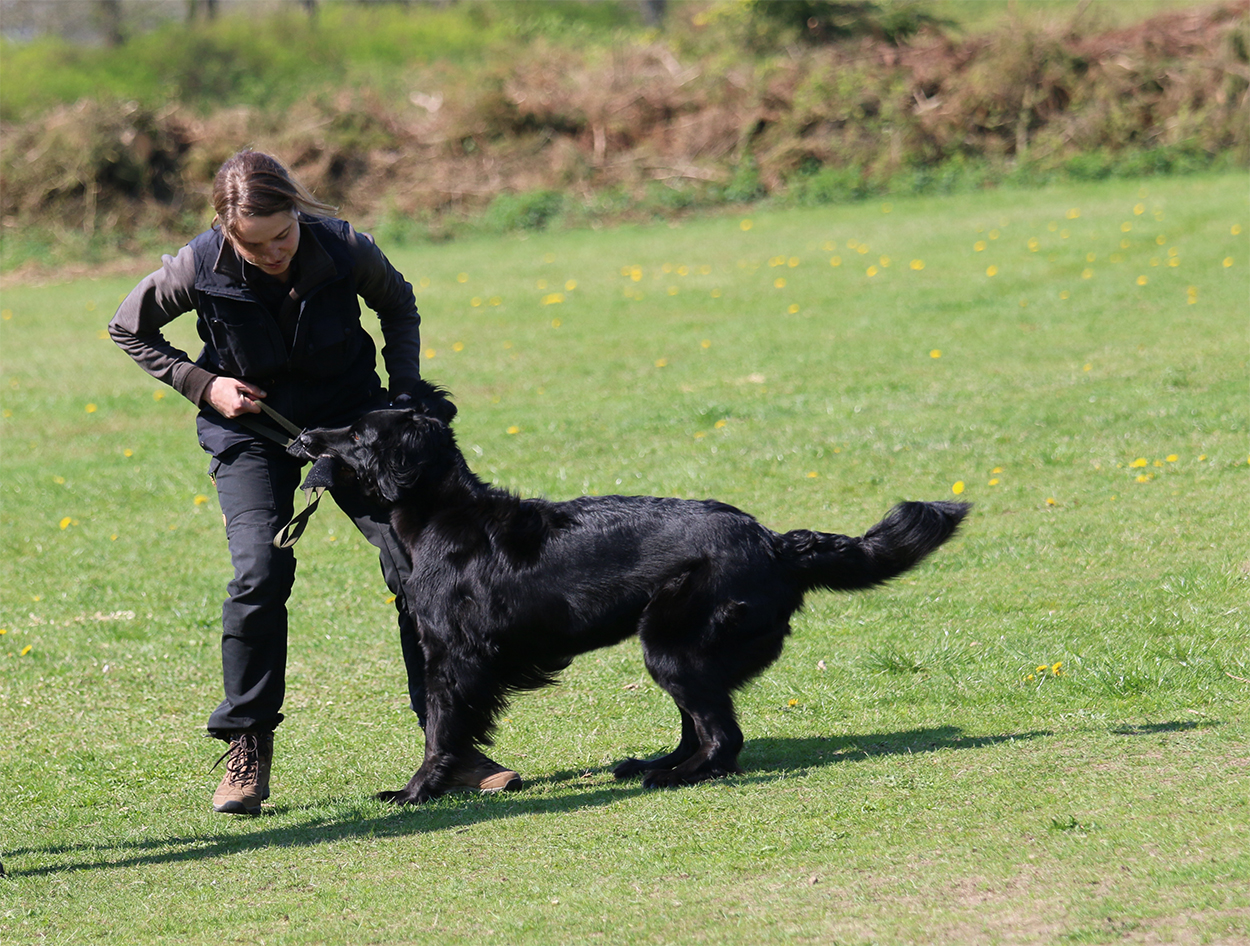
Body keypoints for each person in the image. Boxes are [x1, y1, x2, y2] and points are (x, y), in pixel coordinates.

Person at [109, 149, 520, 814]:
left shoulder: (345, 247)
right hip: (252, 432)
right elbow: (129, 329)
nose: (274, 253)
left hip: (354, 425)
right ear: (227, 231)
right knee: (259, 573)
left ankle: (452, 751)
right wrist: (203, 383)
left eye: (283, 236)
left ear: (298, 211)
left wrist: (404, 395)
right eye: (255, 245)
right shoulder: (194, 267)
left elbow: (399, 305)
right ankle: (246, 747)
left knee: (419, 568)